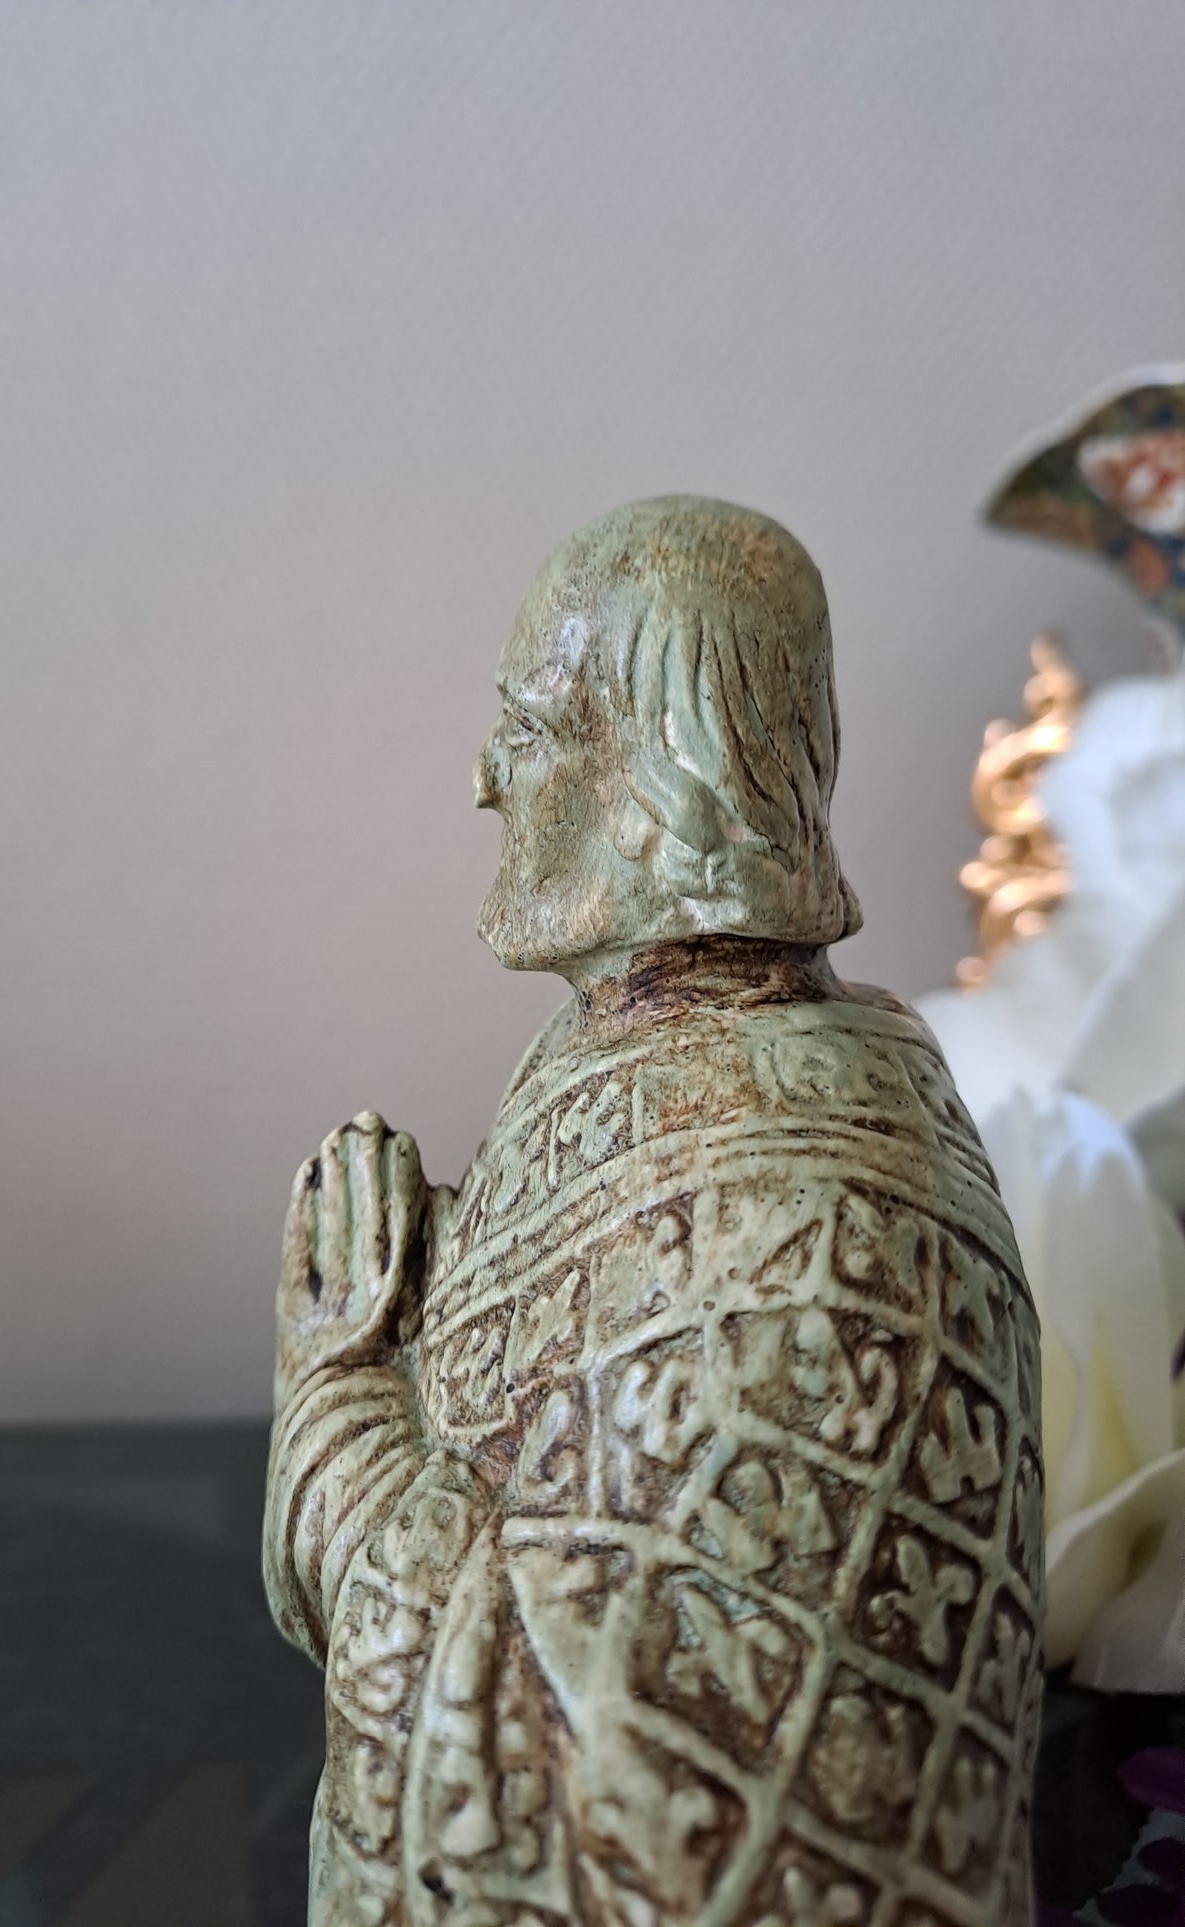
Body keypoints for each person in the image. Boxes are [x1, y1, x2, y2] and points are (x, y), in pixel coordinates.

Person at [264, 498, 1043, 1927]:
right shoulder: (617, 1070)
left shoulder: (804, 1197)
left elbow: (641, 1786)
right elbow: (554, 1457)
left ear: (658, 777)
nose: (483, 784)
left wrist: (340, 1406)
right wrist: (419, 1316)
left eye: (530, 724)